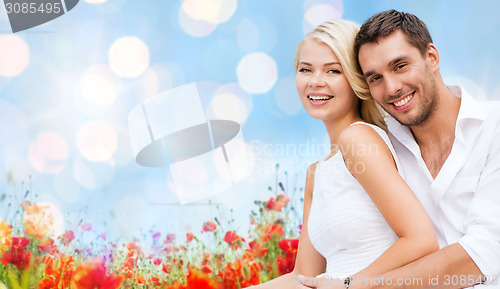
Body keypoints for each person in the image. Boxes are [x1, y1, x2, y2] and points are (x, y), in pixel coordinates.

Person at [251, 19, 439, 289]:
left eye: (333, 71)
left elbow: (421, 240)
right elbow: (301, 277)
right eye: (306, 69)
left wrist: (349, 284)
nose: (316, 82)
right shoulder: (316, 173)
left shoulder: (357, 139)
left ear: (356, 79)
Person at [333, 9, 500, 289]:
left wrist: (356, 287)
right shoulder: (381, 146)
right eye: (375, 78)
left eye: (400, 66)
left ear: (431, 57)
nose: (392, 87)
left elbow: (485, 253)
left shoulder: (494, 127)